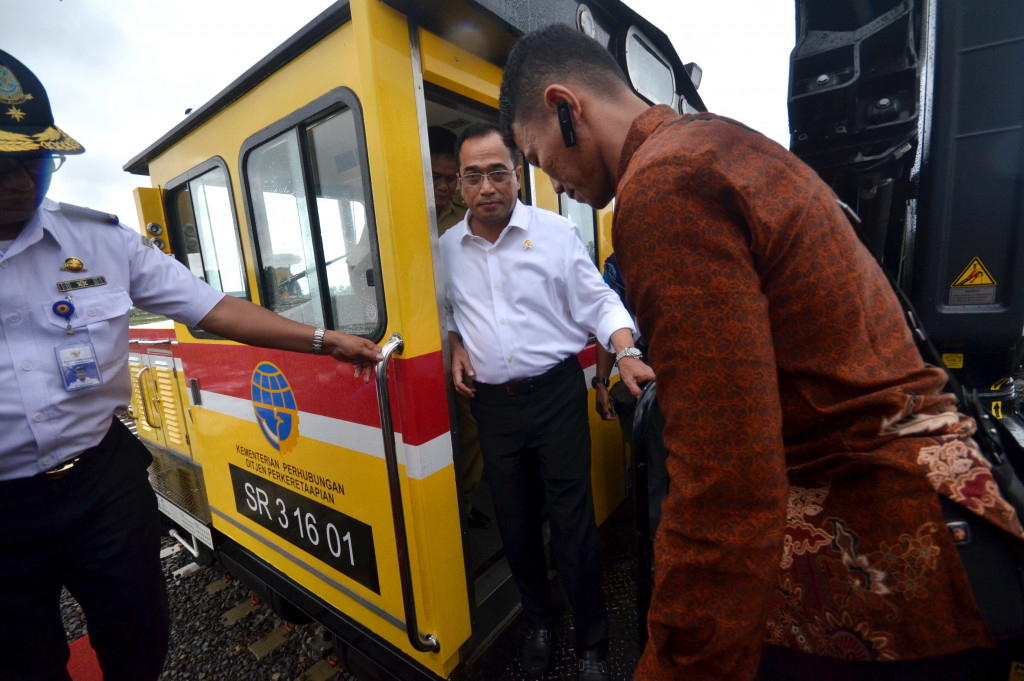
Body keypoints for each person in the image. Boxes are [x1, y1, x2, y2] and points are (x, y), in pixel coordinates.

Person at [498, 24, 1024, 681]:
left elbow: (726, 482)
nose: (549, 181)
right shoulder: (716, 144)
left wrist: (675, 661)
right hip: (944, 503)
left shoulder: (661, 190)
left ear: (565, 108)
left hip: (887, 550)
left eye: (538, 156)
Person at [0, 50, 383, 681]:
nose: (23, 179)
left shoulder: (99, 241)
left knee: (138, 631)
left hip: (99, 480)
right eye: (6, 161)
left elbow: (214, 309)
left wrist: (322, 338)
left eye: (38, 158)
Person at [440, 122, 654, 681]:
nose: (486, 186)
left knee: (572, 522)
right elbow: (445, 314)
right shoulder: (445, 251)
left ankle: (592, 643)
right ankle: (539, 619)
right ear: (459, 184)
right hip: (494, 406)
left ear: (516, 174)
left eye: (496, 172)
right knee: (514, 522)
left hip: (556, 394)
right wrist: (456, 343)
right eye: (472, 176)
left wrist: (625, 350)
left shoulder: (556, 233)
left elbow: (600, 300)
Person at [428, 125, 489, 529]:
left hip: (462, 343)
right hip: (419, 344)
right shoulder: (396, 213)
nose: (446, 187)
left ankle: (463, 504)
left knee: (469, 430)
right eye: (436, 177)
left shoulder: (463, 217)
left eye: (452, 178)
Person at [428, 125, 464, 236]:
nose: (443, 187)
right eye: (435, 177)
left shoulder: (466, 218)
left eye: (450, 179)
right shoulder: (398, 213)